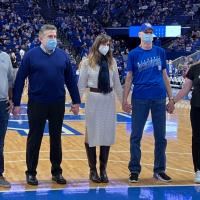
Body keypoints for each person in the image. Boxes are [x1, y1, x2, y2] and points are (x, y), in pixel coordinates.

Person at [12, 24, 81, 186]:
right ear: (41, 38)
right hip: (37, 103)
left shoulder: (63, 56)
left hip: (57, 103)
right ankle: (31, 173)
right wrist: (16, 102)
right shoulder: (31, 55)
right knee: (34, 138)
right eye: (50, 37)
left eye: (55, 36)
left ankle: (57, 172)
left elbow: (71, 80)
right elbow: (20, 79)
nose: (53, 39)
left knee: (56, 138)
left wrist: (76, 101)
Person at [122, 23, 173, 183]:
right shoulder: (134, 54)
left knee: (161, 137)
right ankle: (134, 170)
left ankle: (159, 170)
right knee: (136, 135)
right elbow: (129, 77)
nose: (149, 34)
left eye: (151, 32)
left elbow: (164, 75)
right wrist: (125, 99)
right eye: (146, 32)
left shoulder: (160, 52)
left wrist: (171, 98)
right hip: (140, 98)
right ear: (140, 34)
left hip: (159, 98)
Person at [78, 34, 123, 183]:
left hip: (109, 100)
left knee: (106, 134)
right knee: (91, 134)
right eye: (103, 43)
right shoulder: (86, 62)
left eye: (108, 44)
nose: (106, 46)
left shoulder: (112, 62)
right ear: (97, 45)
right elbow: (81, 85)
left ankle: (103, 170)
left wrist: (124, 102)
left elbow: (116, 84)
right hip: (94, 99)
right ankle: (93, 170)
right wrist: (76, 103)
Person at [167, 61, 200, 183]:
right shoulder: (195, 68)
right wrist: (173, 101)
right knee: (197, 139)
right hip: (197, 108)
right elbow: (186, 88)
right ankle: (198, 170)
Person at [0, 49, 13, 188]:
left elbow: (10, 80)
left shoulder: (5, 57)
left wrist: (11, 99)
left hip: (1, 104)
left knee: (0, 142)